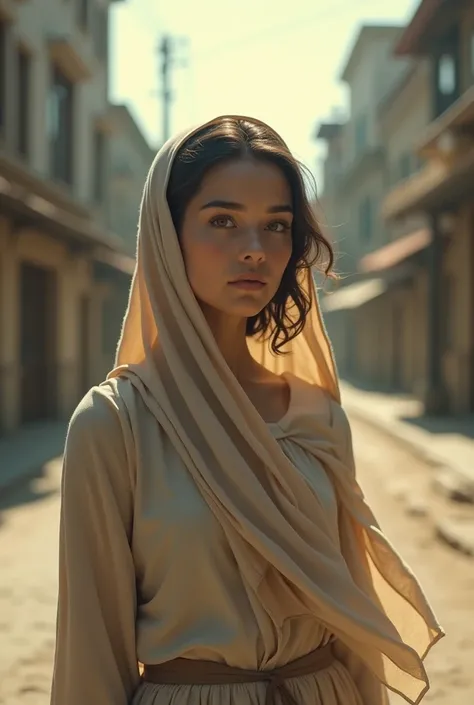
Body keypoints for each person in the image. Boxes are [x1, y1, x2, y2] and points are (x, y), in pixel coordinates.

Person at [50, 115, 444, 705]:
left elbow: (352, 618)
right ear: (166, 233)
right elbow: (91, 650)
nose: (255, 250)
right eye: (223, 221)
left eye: (277, 226)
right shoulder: (116, 424)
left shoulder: (319, 417)